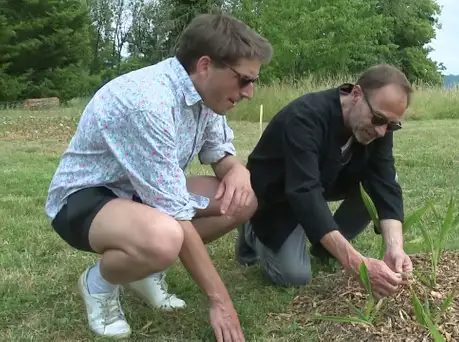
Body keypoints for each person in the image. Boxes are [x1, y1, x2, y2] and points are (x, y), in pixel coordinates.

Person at [45, 13, 272, 341]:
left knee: (240, 200)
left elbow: (219, 152)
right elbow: (174, 212)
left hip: (142, 196)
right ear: (206, 65)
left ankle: (145, 270)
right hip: (84, 199)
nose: (249, 92)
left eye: (254, 81)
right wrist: (220, 300)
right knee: (166, 237)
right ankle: (99, 284)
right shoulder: (148, 103)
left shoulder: (206, 96)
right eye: (244, 80)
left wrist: (237, 170)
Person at [236, 64, 414, 299]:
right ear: (357, 94)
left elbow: (385, 183)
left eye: (391, 125)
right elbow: (304, 192)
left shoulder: (379, 124)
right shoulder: (305, 118)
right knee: (295, 275)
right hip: (276, 195)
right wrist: (357, 264)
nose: (382, 131)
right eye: (379, 119)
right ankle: (251, 227)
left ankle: (325, 248)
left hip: (322, 182)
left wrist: (395, 248)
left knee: (377, 187)